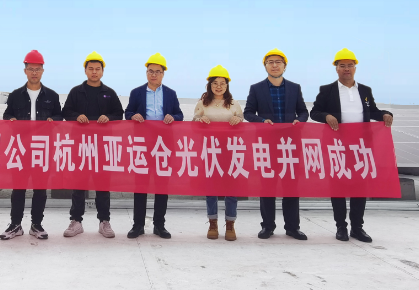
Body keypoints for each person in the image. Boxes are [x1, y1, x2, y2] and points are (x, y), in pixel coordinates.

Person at [310, 48, 394, 243]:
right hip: (336, 146)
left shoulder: (364, 90)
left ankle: (357, 228)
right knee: (338, 186)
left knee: (360, 186)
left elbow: (372, 111)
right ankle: (341, 227)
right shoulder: (327, 90)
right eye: (342, 66)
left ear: (355, 68)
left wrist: (384, 114)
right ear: (336, 69)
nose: (346, 69)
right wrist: (327, 116)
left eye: (350, 65)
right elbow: (315, 112)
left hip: (361, 147)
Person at [244, 49, 310, 241]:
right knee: (267, 186)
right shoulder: (256, 88)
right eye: (270, 62)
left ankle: (292, 227)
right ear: (265, 66)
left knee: (291, 187)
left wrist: (300, 120)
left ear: (284, 66)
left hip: (290, 145)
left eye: (278, 62)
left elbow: (303, 111)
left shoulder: (294, 88)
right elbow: (248, 113)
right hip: (267, 145)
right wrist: (261, 121)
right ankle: (267, 226)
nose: (274, 65)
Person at [0, 50, 63, 240]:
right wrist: (10, 119)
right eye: (30, 69)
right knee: (18, 188)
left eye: (37, 69)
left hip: (42, 148)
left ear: (43, 71)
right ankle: (15, 224)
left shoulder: (52, 95)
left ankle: (36, 224)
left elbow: (59, 116)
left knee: (40, 188)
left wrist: (54, 120)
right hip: (21, 147)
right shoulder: (15, 95)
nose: (34, 72)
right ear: (25, 71)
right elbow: (6, 115)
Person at [61, 52, 124, 238]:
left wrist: (109, 117)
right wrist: (76, 116)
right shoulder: (76, 92)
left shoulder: (109, 93)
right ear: (85, 70)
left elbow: (119, 114)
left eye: (97, 69)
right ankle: (76, 221)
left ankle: (104, 221)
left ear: (102, 71)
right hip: (80, 146)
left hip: (102, 147)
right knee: (78, 185)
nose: (94, 72)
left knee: (102, 185)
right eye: (91, 69)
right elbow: (66, 112)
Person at [125, 53, 183, 239]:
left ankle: (159, 225)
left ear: (163, 74)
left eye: (158, 72)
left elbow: (180, 115)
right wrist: (133, 116)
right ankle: (138, 225)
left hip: (163, 146)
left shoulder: (171, 94)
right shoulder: (137, 92)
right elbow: (128, 112)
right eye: (151, 71)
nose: (154, 75)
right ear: (146, 72)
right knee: (140, 186)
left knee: (161, 186)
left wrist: (173, 117)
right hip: (142, 145)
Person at [195, 65, 244, 241]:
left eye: (222, 83)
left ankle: (230, 224)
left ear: (227, 85)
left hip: (231, 151)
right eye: (215, 83)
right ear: (209, 85)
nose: (219, 86)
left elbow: (242, 122)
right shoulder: (202, 103)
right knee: (211, 189)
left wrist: (238, 119)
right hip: (210, 150)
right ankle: (213, 223)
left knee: (231, 189)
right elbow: (193, 122)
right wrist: (200, 119)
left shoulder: (234, 104)